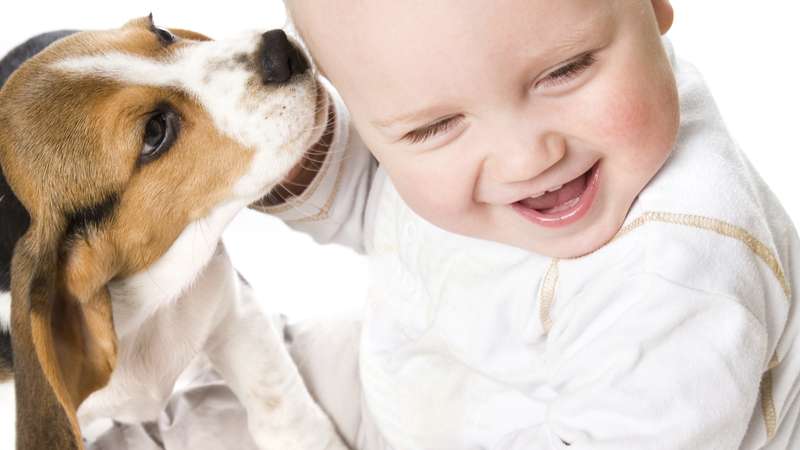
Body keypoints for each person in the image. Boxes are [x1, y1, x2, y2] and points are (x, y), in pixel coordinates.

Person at [248, 0, 800, 449]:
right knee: (224, 381)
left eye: (567, 70)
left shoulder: (676, 286)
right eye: (434, 129)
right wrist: (288, 161)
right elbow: (382, 206)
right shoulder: (442, 112)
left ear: (654, 7)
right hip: (408, 389)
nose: (525, 160)